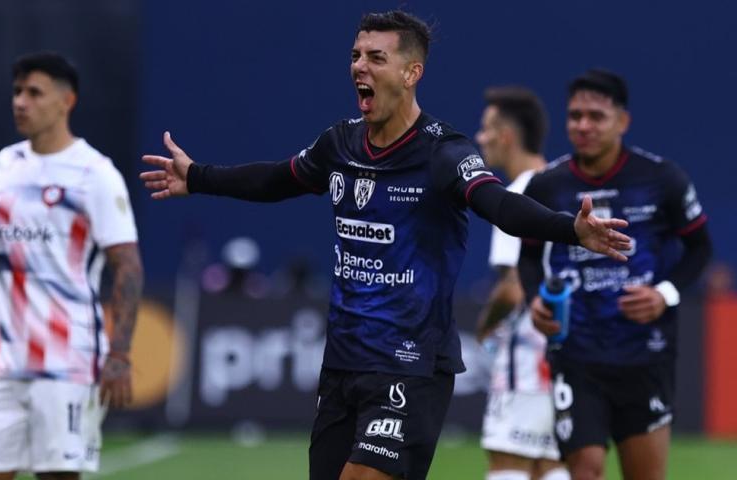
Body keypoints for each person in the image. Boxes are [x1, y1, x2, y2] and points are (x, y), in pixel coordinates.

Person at [140, 12, 630, 480]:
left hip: (411, 364)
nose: (359, 66)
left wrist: (571, 229)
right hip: (343, 362)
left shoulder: (444, 152)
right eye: (355, 55)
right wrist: (198, 177)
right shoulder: (340, 143)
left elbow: (497, 203)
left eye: (376, 57)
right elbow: (277, 178)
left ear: (412, 72)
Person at [518, 69, 712, 480]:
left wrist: (665, 293)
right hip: (576, 352)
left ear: (622, 121)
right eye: (575, 116)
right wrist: (535, 296)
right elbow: (529, 256)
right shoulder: (546, 186)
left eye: (596, 116)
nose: (583, 126)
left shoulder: (662, 179)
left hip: (645, 354)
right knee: (585, 470)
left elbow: (701, 248)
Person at [0, 52, 143, 480]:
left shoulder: (94, 173)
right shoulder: (5, 165)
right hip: (3, 358)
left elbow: (127, 265)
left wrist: (120, 354)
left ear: (66, 101)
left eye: (34, 93)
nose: (20, 102)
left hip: (67, 359)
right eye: (16, 92)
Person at [475, 87, 569, 480]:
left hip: (528, 359)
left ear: (507, 136)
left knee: (507, 459)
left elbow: (514, 288)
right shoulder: (563, 187)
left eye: (486, 129)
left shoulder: (515, 197)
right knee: (550, 462)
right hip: (566, 354)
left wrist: (483, 328)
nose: (479, 138)